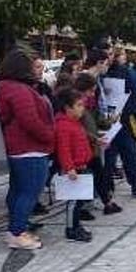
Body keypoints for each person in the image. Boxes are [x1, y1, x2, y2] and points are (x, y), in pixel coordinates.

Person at [0, 49, 55, 250]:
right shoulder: (18, 90)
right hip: (30, 148)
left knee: (18, 190)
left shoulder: (7, 87)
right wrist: (50, 135)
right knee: (29, 192)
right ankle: (16, 232)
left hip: (20, 148)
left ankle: (15, 227)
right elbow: (30, 121)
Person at [73, 73, 122, 216]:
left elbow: (95, 122)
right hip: (83, 148)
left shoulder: (90, 103)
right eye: (90, 91)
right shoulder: (77, 104)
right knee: (85, 178)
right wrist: (95, 138)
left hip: (92, 146)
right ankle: (81, 209)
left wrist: (110, 121)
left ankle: (107, 202)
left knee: (99, 175)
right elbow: (79, 128)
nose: (92, 94)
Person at [53, 88, 94, 243]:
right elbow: (63, 149)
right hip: (74, 169)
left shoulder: (75, 123)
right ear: (68, 108)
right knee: (73, 202)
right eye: (78, 105)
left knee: (80, 200)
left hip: (82, 166)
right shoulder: (63, 125)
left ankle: (77, 224)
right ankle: (71, 228)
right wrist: (69, 167)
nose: (82, 108)